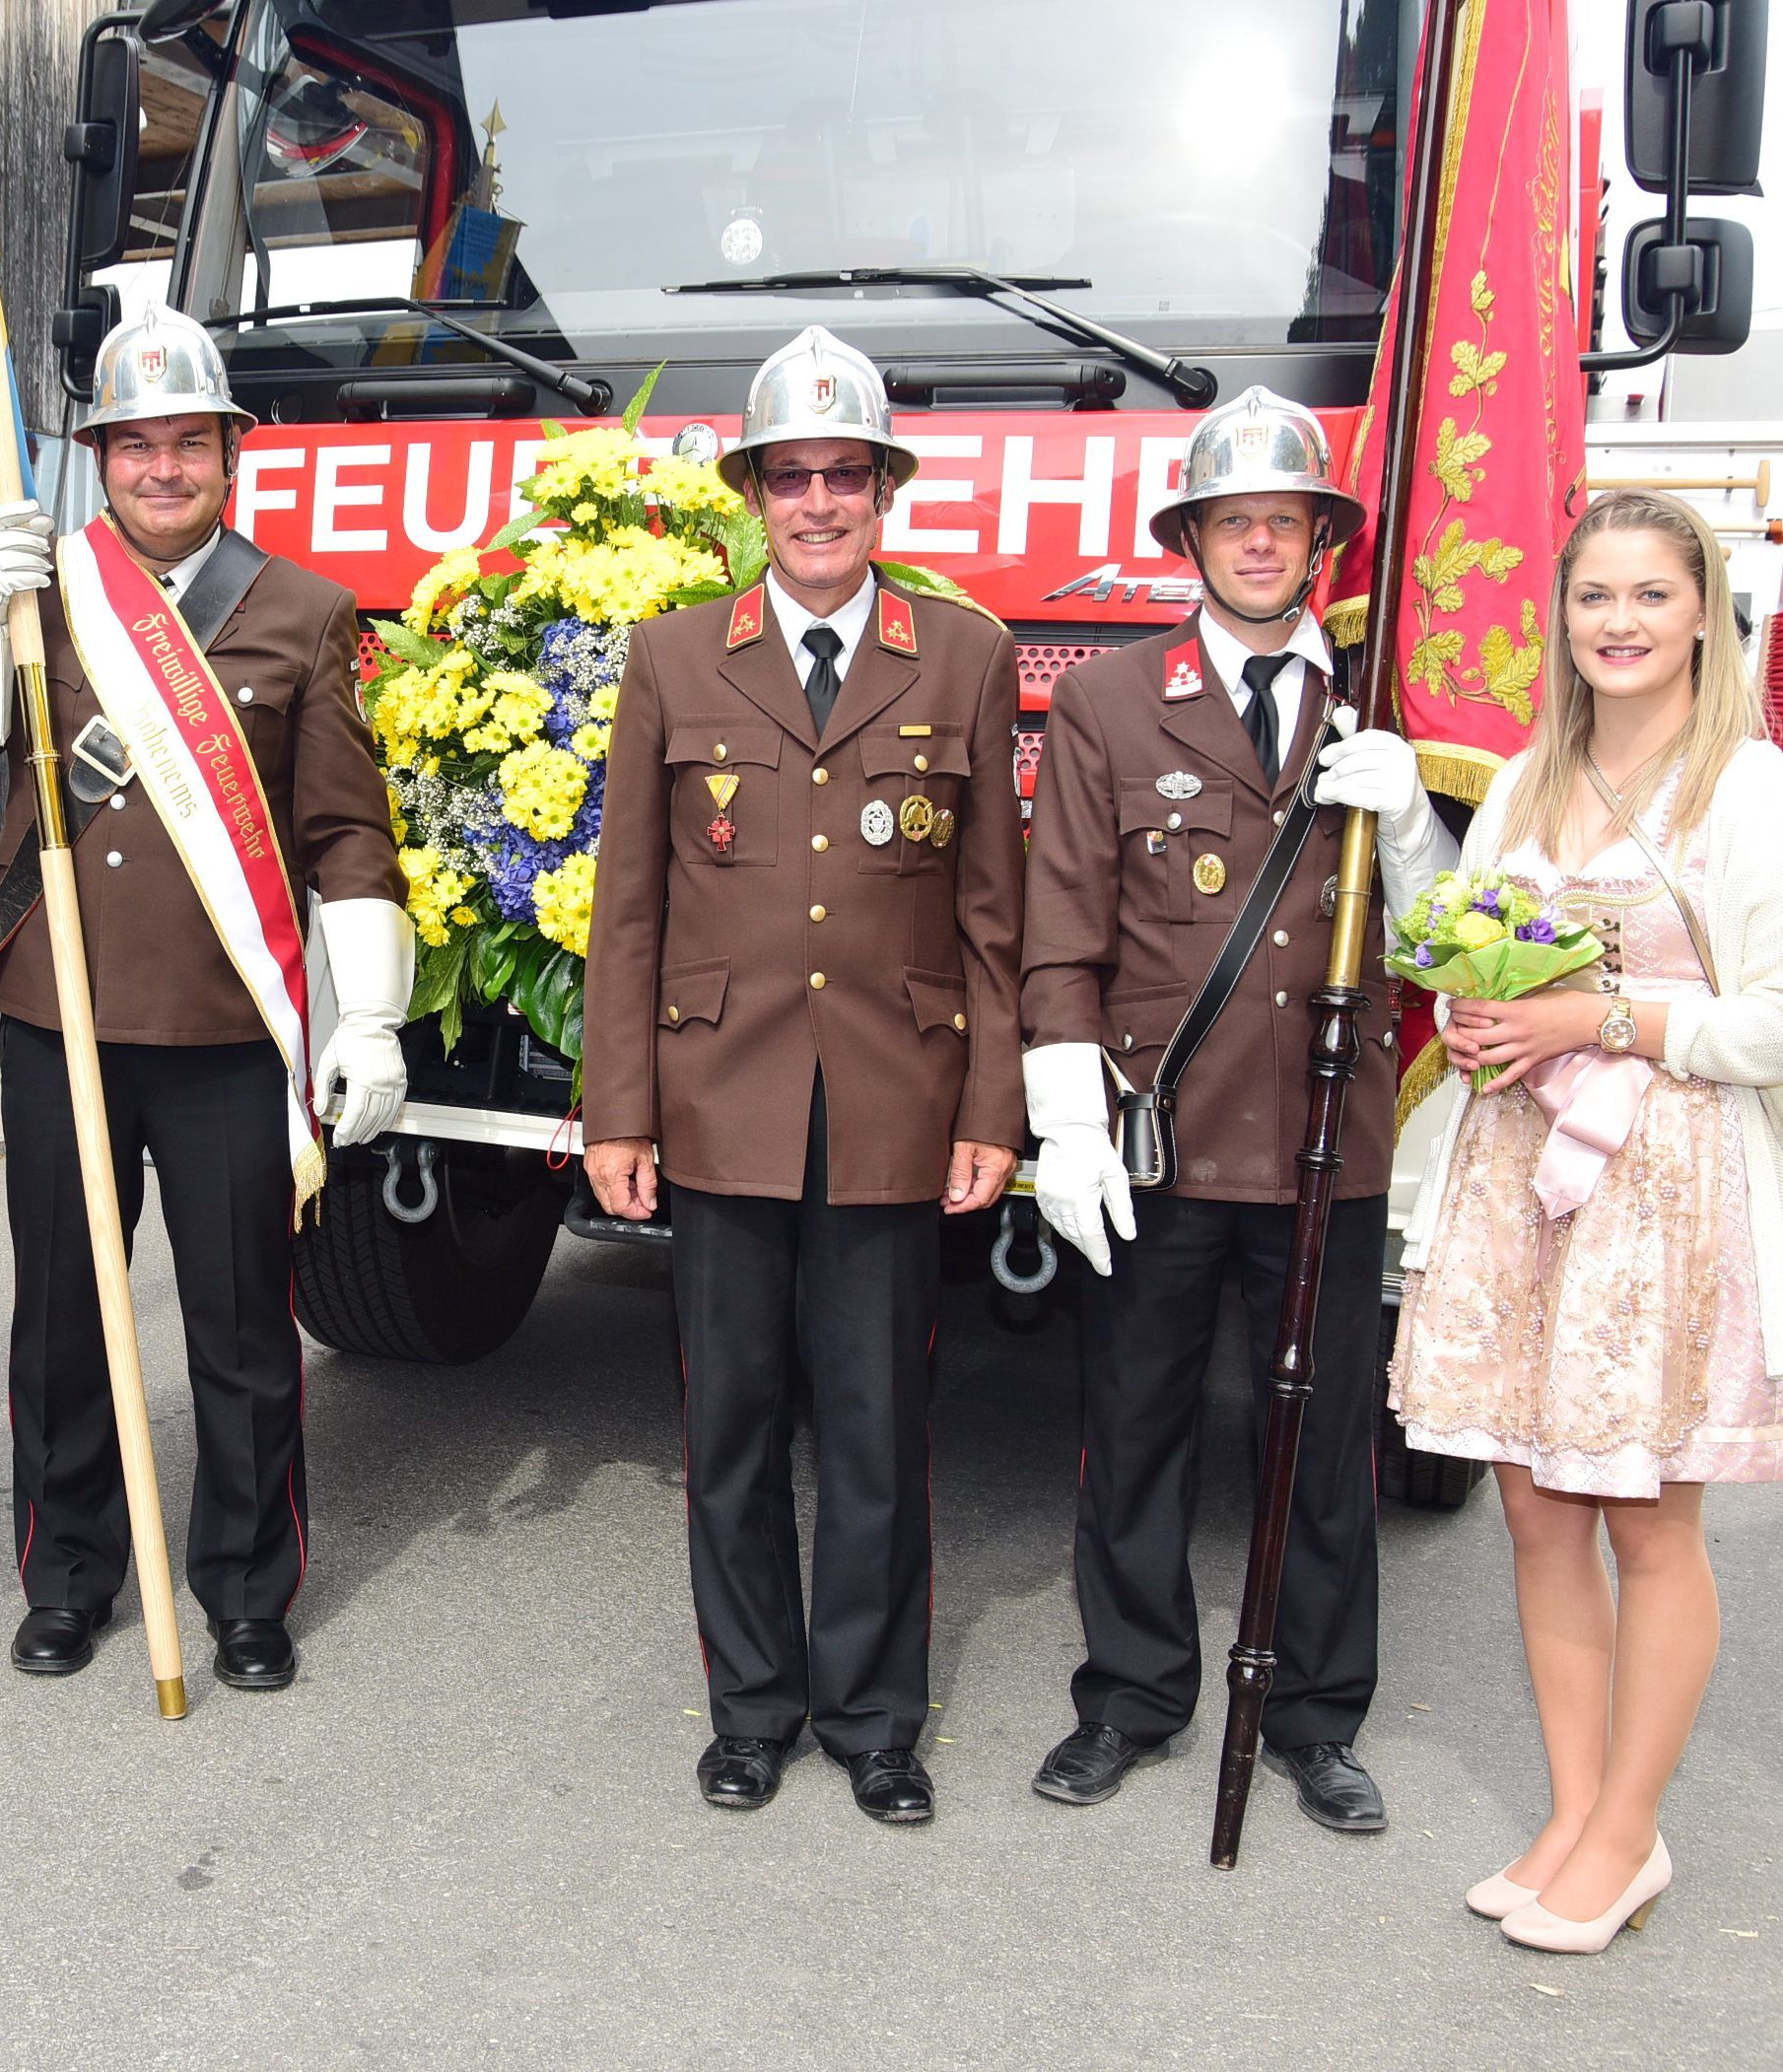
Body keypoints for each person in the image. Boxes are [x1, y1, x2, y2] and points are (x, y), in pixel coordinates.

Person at [0, 306, 410, 1693]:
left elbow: (346, 834)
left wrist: (370, 1014)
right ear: (99, 458)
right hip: (57, 1016)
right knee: (61, 1312)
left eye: (189, 443)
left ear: (228, 455)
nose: (163, 469)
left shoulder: (299, 613)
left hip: (226, 1027)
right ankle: (66, 1576)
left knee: (240, 1320)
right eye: (135, 446)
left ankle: (244, 1588)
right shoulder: (43, 592)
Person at [1392, 491, 1783, 1953]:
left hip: (1664, 1193)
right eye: (1594, 596)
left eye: (1651, 595)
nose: (1620, 623)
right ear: (1563, 618)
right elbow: (1464, 935)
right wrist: (1475, 1018)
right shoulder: (1533, 777)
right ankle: (1575, 1810)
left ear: (1705, 612)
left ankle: (1627, 1827)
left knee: (1647, 1515)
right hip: (1521, 1184)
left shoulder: (1757, 796)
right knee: (1534, 1506)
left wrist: (1604, 1012)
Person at [581, 326, 1024, 1825]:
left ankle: (876, 1720)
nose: (819, 502)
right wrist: (618, 1109)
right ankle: (751, 1708)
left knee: (877, 1434)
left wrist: (990, 1109)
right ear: (754, 496)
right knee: (731, 1433)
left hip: (898, 1105)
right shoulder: (673, 653)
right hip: (718, 1103)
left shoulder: (960, 654)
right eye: (793, 477)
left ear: (881, 490)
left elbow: (990, 912)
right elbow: (627, 904)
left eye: (846, 474)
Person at [1018, 385, 1454, 1834]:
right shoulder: (1107, 700)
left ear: (1320, 542)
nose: (1258, 541)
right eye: (1232, 519)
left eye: (1285, 519)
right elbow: (1062, 926)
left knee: (1320, 1446)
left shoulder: (1385, 713)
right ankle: (1132, 1696)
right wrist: (1065, 1120)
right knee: (1130, 1430)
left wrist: (1408, 818)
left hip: (1327, 1144)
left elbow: (1458, 939)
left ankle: (1315, 1717)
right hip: (1162, 1134)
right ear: (1192, 538)